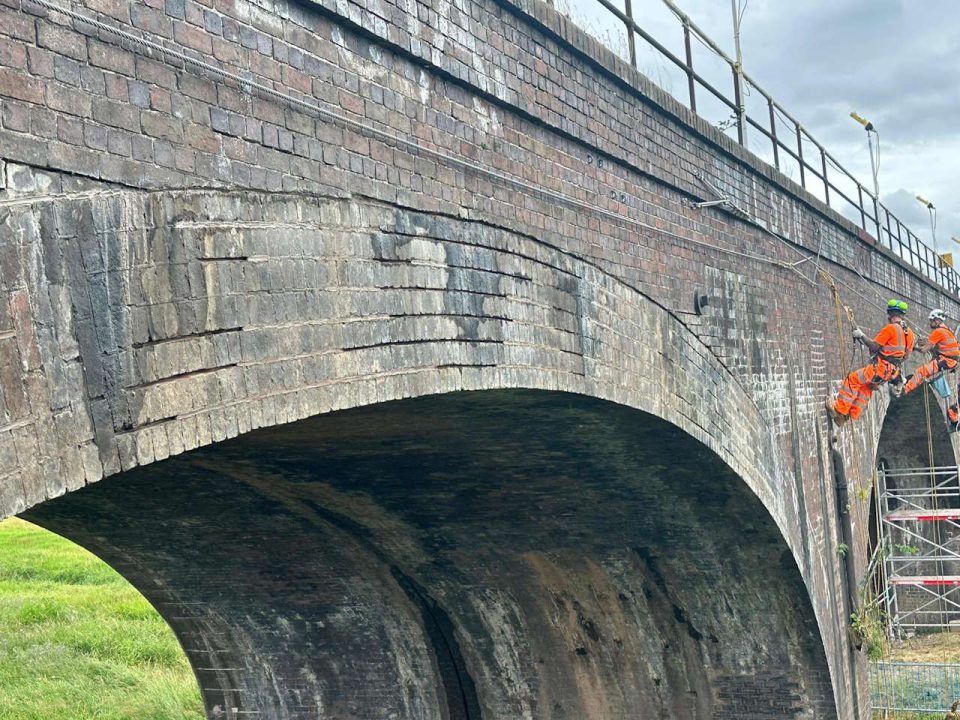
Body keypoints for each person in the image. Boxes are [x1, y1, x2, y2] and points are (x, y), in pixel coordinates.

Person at [827, 299, 915, 425]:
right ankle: (851, 414)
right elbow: (905, 357)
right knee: (866, 388)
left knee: (852, 380)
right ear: (902, 315)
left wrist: (861, 335)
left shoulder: (891, 329)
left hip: (879, 368)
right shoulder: (910, 334)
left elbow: (874, 346)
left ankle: (839, 411)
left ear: (890, 315)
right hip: (891, 373)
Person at [903, 309, 960, 424]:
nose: (930, 323)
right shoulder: (946, 330)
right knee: (927, 372)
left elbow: (924, 350)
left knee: (921, 371)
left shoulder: (938, 332)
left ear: (937, 320)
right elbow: (937, 345)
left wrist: (913, 347)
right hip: (950, 361)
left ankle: (905, 389)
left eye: (932, 321)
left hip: (946, 360)